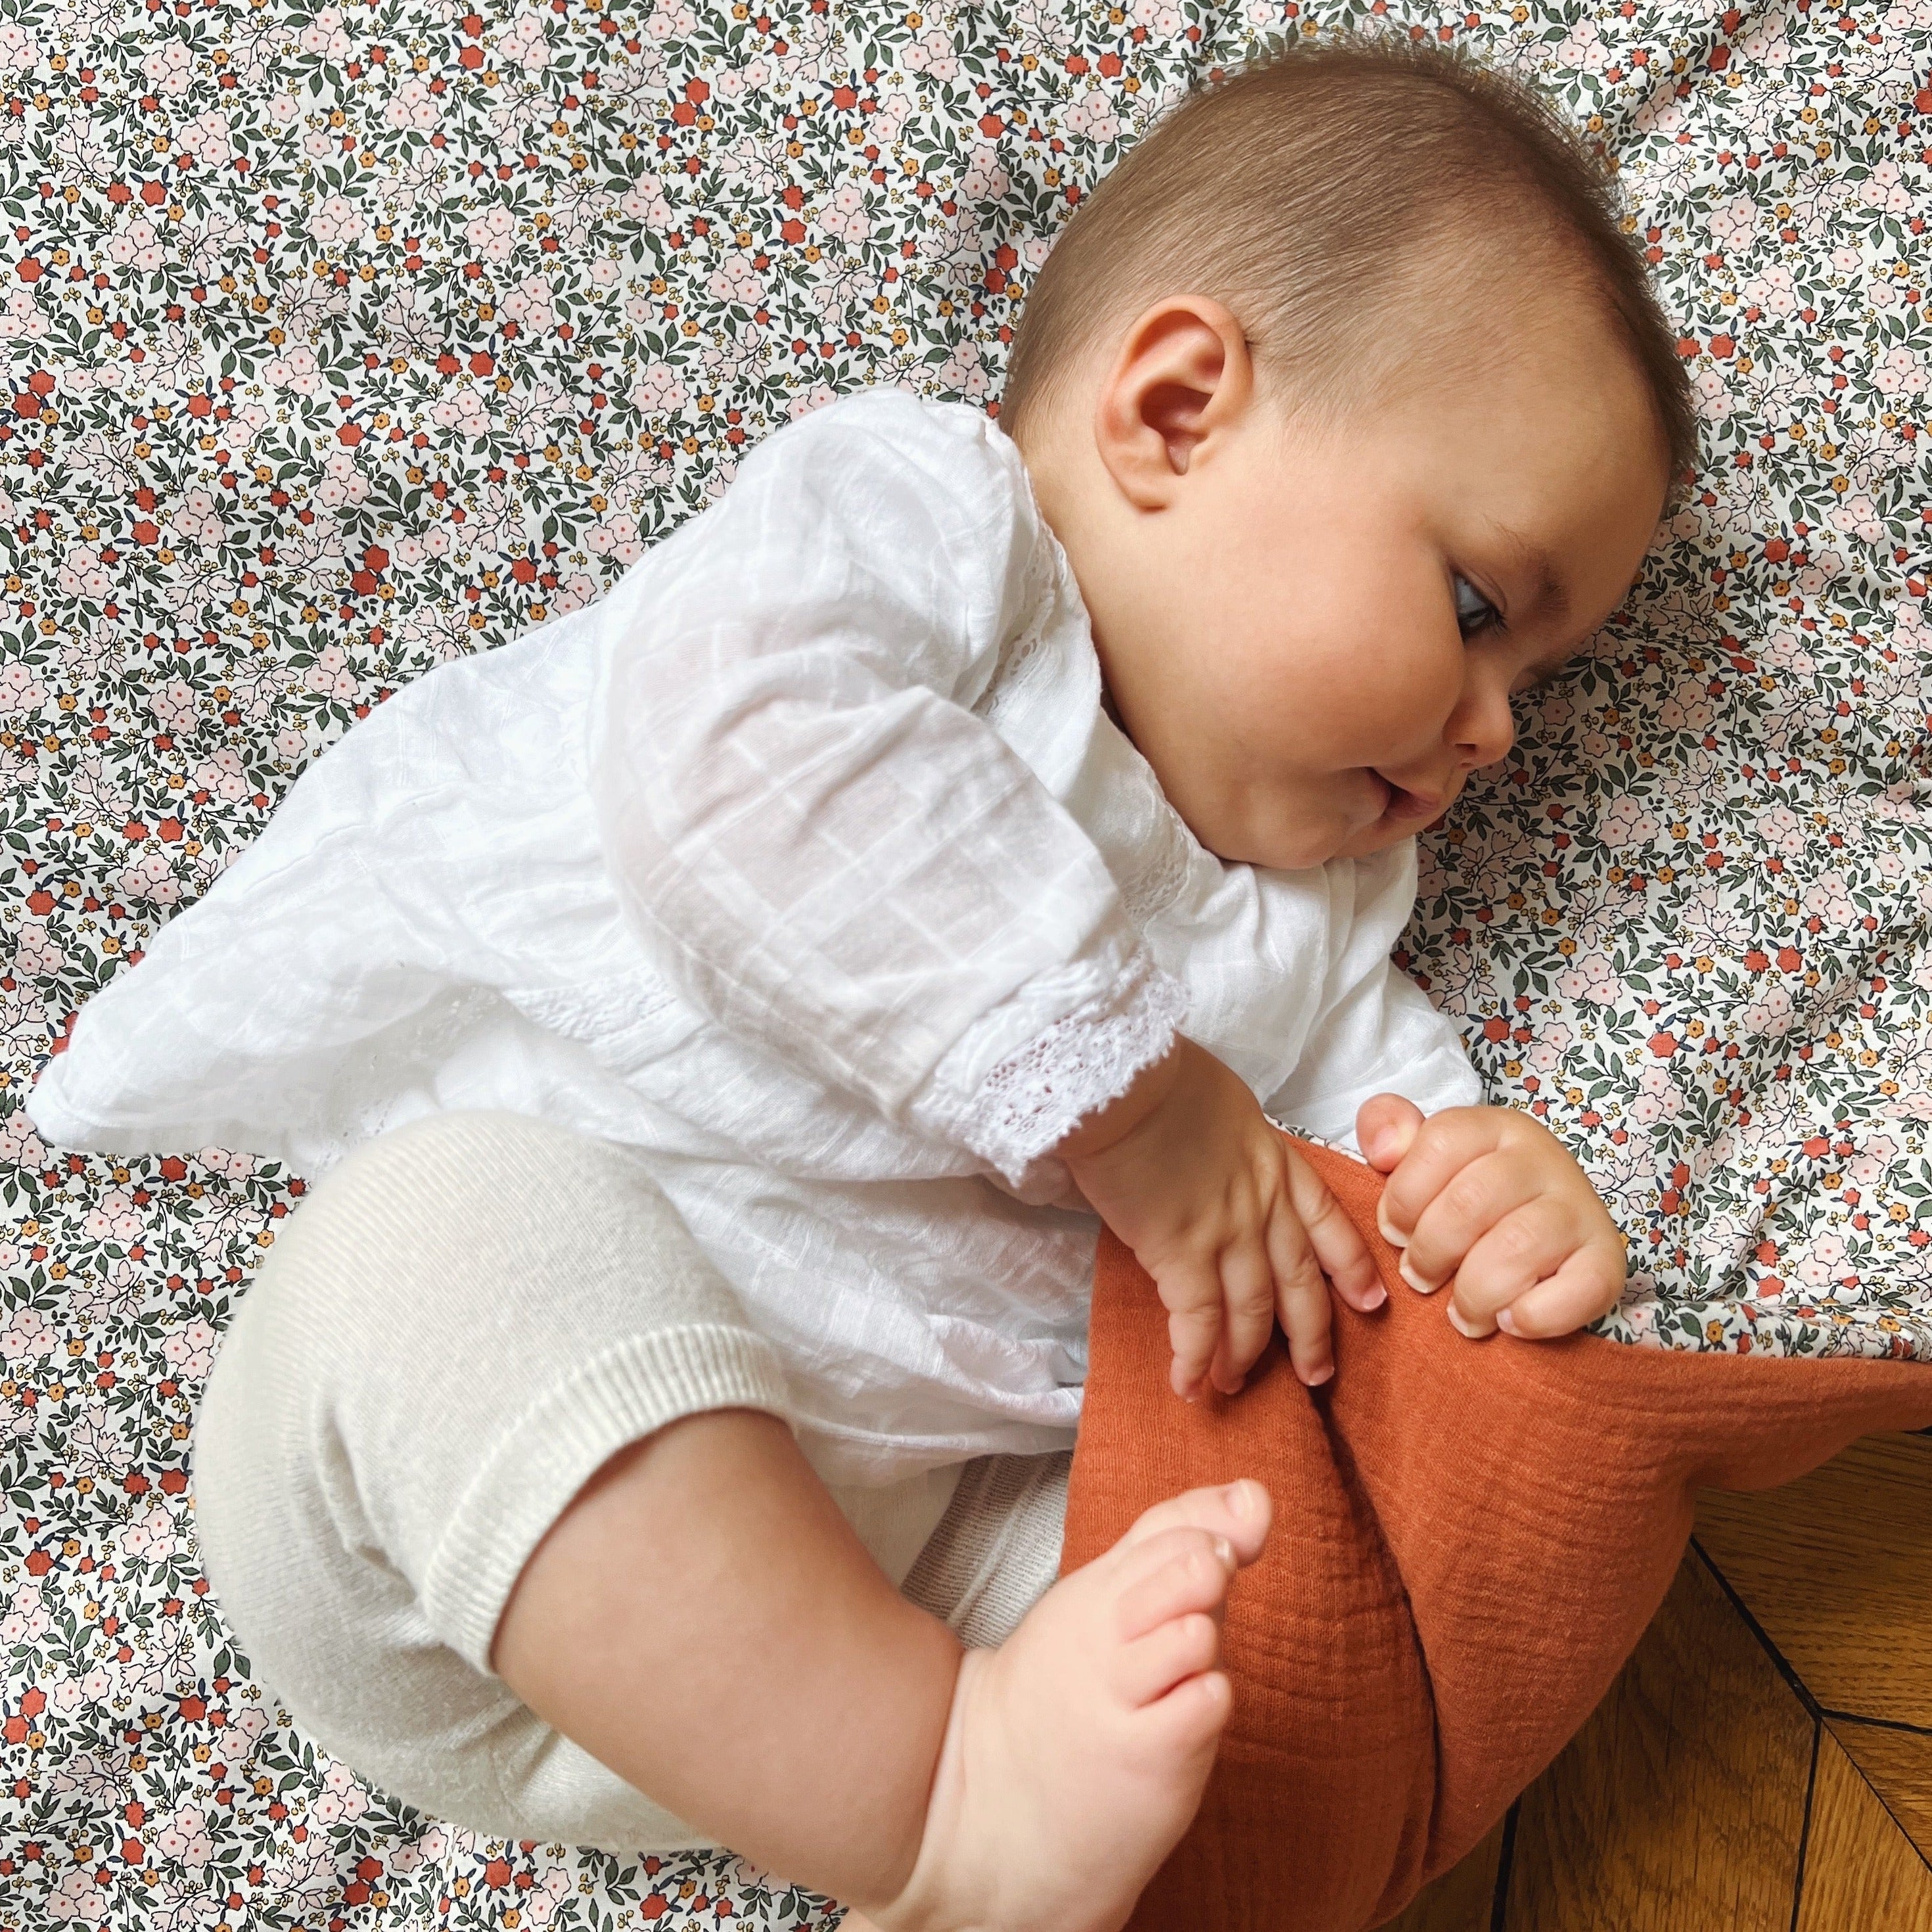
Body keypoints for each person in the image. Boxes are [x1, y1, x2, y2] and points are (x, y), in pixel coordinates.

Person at [28, 36, 1693, 1932]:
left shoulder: (1317, 917)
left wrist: (1490, 1191)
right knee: (438, 1238)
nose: (1492, 731)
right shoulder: (930, 534)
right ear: (1173, 414)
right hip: (455, 1533)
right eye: (1475, 609)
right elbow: (734, 759)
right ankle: (939, 1816)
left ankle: (978, 1788)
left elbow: (1363, 1185)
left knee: (1250, 1594)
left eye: (1533, 683)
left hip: (895, 1589)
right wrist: (1138, 1104)